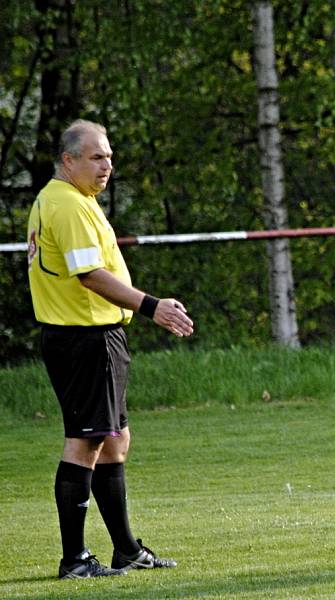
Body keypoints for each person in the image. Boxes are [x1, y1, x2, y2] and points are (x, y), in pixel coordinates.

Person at [26, 119, 195, 579]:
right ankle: (75, 559)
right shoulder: (66, 205)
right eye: (96, 157)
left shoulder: (70, 199)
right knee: (85, 443)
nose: (107, 166)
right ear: (69, 160)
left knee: (115, 440)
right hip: (83, 338)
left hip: (96, 337)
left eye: (110, 157)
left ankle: (125, 550)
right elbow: (89, 276)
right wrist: (151, 305)